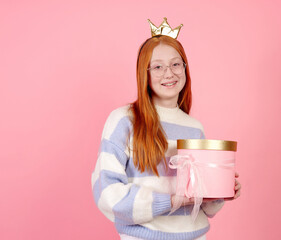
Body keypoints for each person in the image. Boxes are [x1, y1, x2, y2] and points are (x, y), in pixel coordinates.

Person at [91, 18, 241, 240]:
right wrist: (170, 201)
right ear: (145, 73)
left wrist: (221, 190)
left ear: (185, 68)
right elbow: (107, 194)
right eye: (158, 66)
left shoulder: (194, 127)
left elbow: (204, 206)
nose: (169, 73)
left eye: (175, 64)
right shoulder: (124, 120)